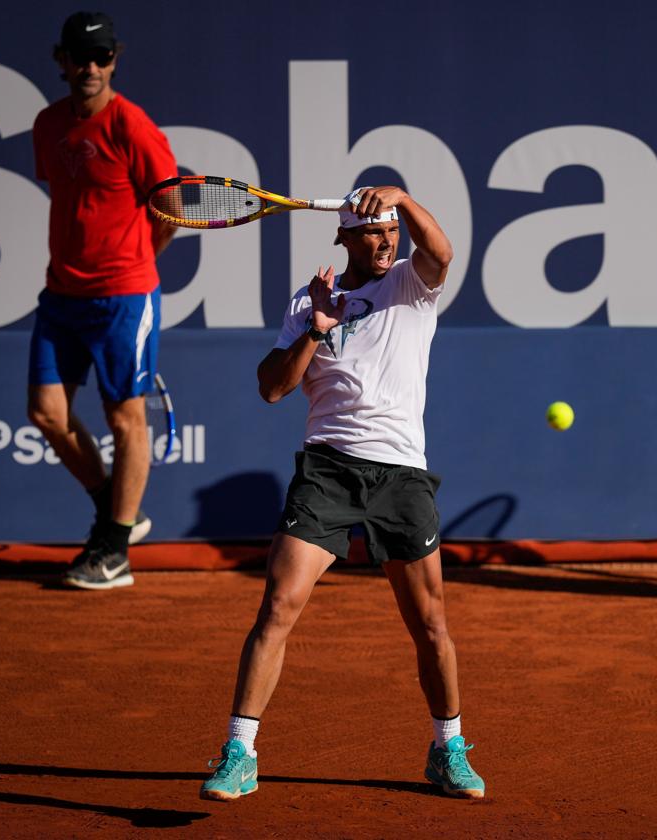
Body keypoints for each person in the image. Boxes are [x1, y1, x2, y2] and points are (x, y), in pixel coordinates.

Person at [199, 187, 486, 801]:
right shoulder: (310, 299)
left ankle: (448, 747)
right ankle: (239, 752)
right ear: (345, 238)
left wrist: (402, 198)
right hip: (328, 471)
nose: (386, 242)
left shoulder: (413, 282)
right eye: (373, 232)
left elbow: (443, 249)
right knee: (278, 607)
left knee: (430, 623)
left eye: (392, 231)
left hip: (401, 476)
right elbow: (272, 389)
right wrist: (316, 328)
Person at [27, 11, 177, 590]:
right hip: (61, 293)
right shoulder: (47, 126)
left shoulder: (133, 127)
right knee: (46, 413)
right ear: (60, 60)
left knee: (125, 417)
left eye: (102, 57)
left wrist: (135, 261)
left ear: (114, 59)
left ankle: (113, 552)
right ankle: (118, 514)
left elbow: (171, 210)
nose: (91, 67)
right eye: (80, 57)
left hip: (123, 295)